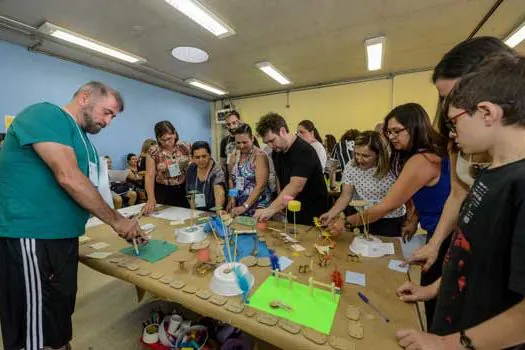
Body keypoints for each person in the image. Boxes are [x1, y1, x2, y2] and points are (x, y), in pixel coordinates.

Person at [0, 81, 146, 350]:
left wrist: (117, 223)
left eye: (112, 116)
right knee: (35, 324)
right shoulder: (46, 114)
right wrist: (117, 221)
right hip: (33, 236)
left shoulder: (83, 141)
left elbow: (91, 190)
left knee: (57, 311)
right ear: (85, 97)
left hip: (62, 237)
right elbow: (68, 177)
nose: (108, 121)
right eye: (107, 112)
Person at [396, 53, 525, 350]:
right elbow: (470, 255)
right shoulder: (488, 173)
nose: (452, 134)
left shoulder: (519, 183)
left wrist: (449, 345)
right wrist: (430, 291)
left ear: (487, 112)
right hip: (453, 328)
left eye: (454, 122)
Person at [329, 103, 450, 327]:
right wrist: (414, 219)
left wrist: (345, 222)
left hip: (445, 235)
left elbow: (385, 207)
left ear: (414, 127)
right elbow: (419, 194)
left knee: (440, 302)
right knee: (433, 293)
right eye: (389, 132)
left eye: (396, 131)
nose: (391, 137)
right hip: (438, 231)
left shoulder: (421, 160)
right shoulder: (419, 156)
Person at [407, 36, 517, 273]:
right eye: (443, 98)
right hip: (465, 246)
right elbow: (457, 195)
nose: (447, 107)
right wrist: (435, 244)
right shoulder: (459, 138)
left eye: (454, 96)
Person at [320, 131, 406, 237]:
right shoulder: (351, 166)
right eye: (357, 154)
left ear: (379, 154)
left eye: (366, 156)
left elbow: (406, 197)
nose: (359, 159)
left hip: (389, 221)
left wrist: (411, 220)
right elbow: (345, 197)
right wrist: (331, 213)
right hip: (360, 218)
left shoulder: (394, 168)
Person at [254, 113, 329, 225]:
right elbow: (281, 181)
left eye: (272, 140)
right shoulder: (277, 152)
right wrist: (280, 206)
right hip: (293, 212)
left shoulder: (304, 151)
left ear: (283, 131)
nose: (270, 146)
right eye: (266, 143)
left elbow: (295, 186)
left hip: (315, 214)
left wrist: (271, 209)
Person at [143, 121, 191, 213]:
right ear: (157, 138)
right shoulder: (153, 152)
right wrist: (150, 198)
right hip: (163, 190)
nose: (166, 142)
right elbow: (149, 176)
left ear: (175, 134)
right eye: (162, 140)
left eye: (169, 138)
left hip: (183, 189)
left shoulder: (185, 147)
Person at [227, 124, 271, 216]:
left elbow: (261, 186)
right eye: (238, 143)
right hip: (240, 204)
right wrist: (232, 198)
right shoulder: (233, 156)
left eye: (245, 142)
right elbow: (231, 179)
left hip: (258, 205)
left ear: (252, 138)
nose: (241, 146)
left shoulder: (260, 155)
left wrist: (245, 205)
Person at [185, 141, 225, 211]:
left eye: (204, 156)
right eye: (197, 157)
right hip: (197, 211)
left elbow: (219, 193)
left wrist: (218, 212)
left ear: (209, 155)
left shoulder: (216, 170)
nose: (201, 160)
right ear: (192, 158)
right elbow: (190, 194)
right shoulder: (191, 169)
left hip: (213, 212)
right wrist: (195, 213)